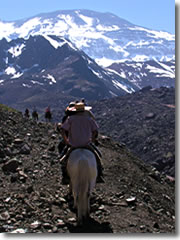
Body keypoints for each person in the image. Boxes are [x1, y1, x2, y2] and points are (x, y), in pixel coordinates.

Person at [60, 102, 104, 184]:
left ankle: (65, 176)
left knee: (63, 159)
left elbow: (62, 129)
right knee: (98, 157)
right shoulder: (89, 119)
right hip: (86, 144)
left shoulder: (70, 118)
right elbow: (95, 130)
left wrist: (66, 140)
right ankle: (99, 175)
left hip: (73, 144)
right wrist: (92, 139)